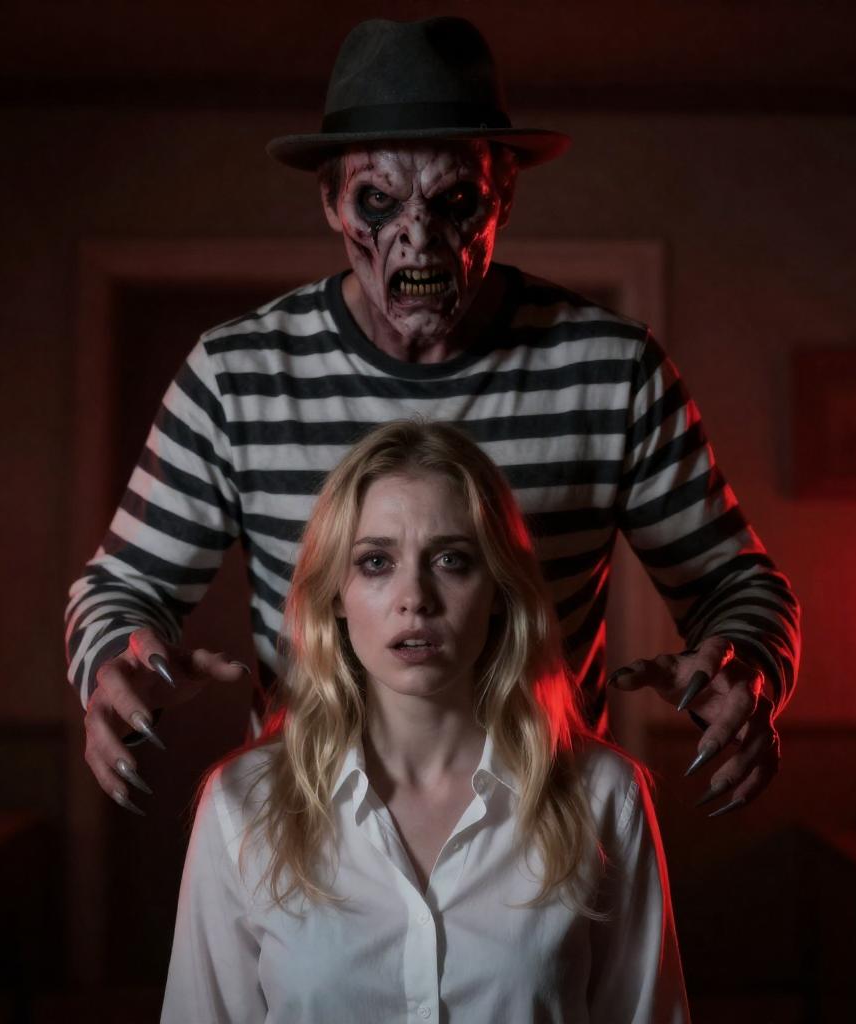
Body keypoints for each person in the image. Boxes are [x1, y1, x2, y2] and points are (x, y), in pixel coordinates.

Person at [65, 17, 800, 821]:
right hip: (311, 832)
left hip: (542, 826)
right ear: (331, 201)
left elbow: (736, 584)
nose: (416, 238)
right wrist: (115, 660)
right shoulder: (236, 374)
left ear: (503, 194)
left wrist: (748, 667)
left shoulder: (614, 369)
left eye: (454, 202)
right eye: (378, 201)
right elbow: (121, 588)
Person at [160, 420, 690, 1023]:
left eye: (451, 560)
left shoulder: (604, 794)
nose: (414, 597)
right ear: (335, 594)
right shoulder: (242, 804)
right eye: (376, 561)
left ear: (499, 590)